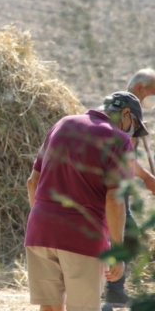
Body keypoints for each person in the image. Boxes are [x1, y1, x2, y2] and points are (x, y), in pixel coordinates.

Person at [25, 91, 148, 311]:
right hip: (81, 236)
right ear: (126, 113)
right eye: (133, 126)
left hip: (39, 232)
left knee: (50, 307)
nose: (131, 133)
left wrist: (47, 223)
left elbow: (32, 183)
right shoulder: (118, 140)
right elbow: (114, 199)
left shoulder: (63, 124)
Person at [102, 68, 155, 309]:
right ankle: (111, 291)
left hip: (112, 185)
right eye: (152, 92)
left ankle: (114, 290)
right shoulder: (127, 117)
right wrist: (147, 179)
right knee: (126, 233)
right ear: (140, 89)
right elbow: (126, 161)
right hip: (110, 188)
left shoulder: (124, 110)